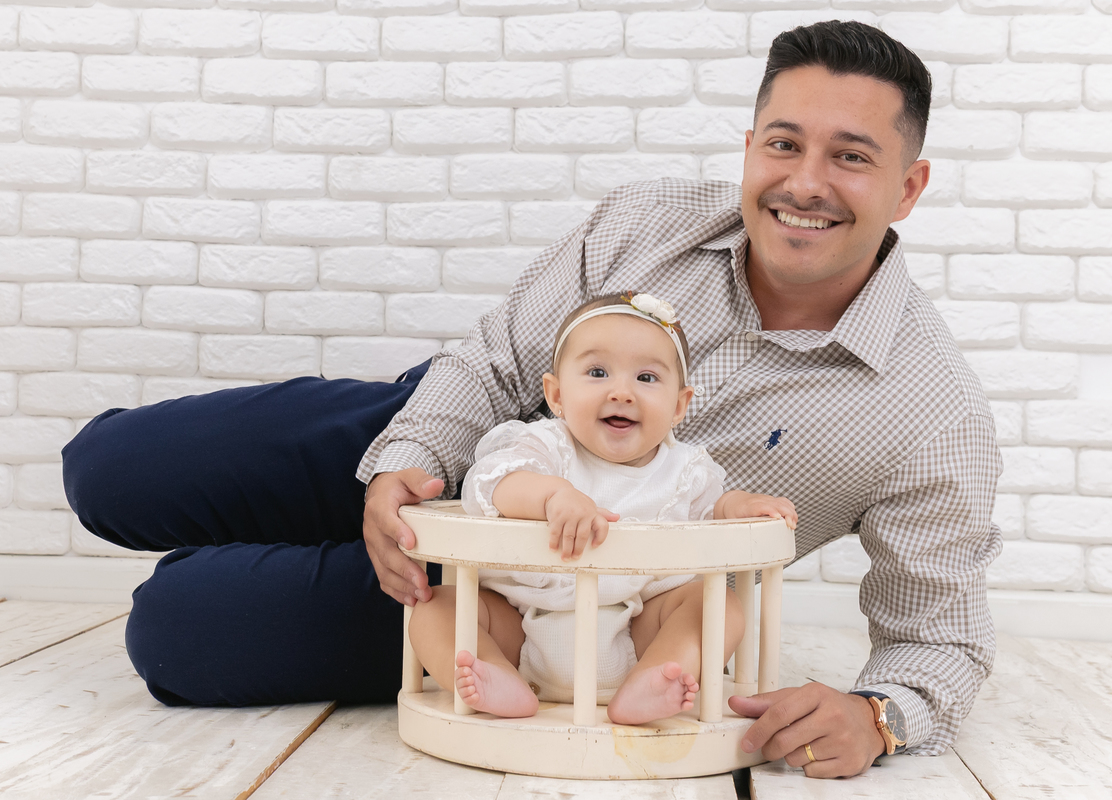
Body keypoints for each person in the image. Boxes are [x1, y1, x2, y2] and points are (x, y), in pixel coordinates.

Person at [62, 20, 1002, 779]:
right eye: (783, 144)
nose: (804, 183)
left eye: (850, 157)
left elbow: (941, 637)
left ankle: (257, 574)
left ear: (908, 187)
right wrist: (406, 462)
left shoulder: (931, 410)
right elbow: (497, 358)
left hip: (524, 600)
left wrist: (881, 716)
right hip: (459, 434)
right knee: (109, 468)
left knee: (176, 628)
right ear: (749, 147)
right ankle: (331, 507)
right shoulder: (650, 220)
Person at [408, 293, 797, 723]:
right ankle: (493, 674)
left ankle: (658, 676)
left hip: (639, 631)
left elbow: (714, 511)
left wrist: (741, 505)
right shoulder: (548, 446)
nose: (622, 392)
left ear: (679, 406)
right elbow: (491, 483)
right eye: (597, 372)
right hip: (520, 627)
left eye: (647, 378)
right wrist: (552, 495)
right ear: (555, 394)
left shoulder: (686, 469)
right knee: (436, 609)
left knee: (720, 606)